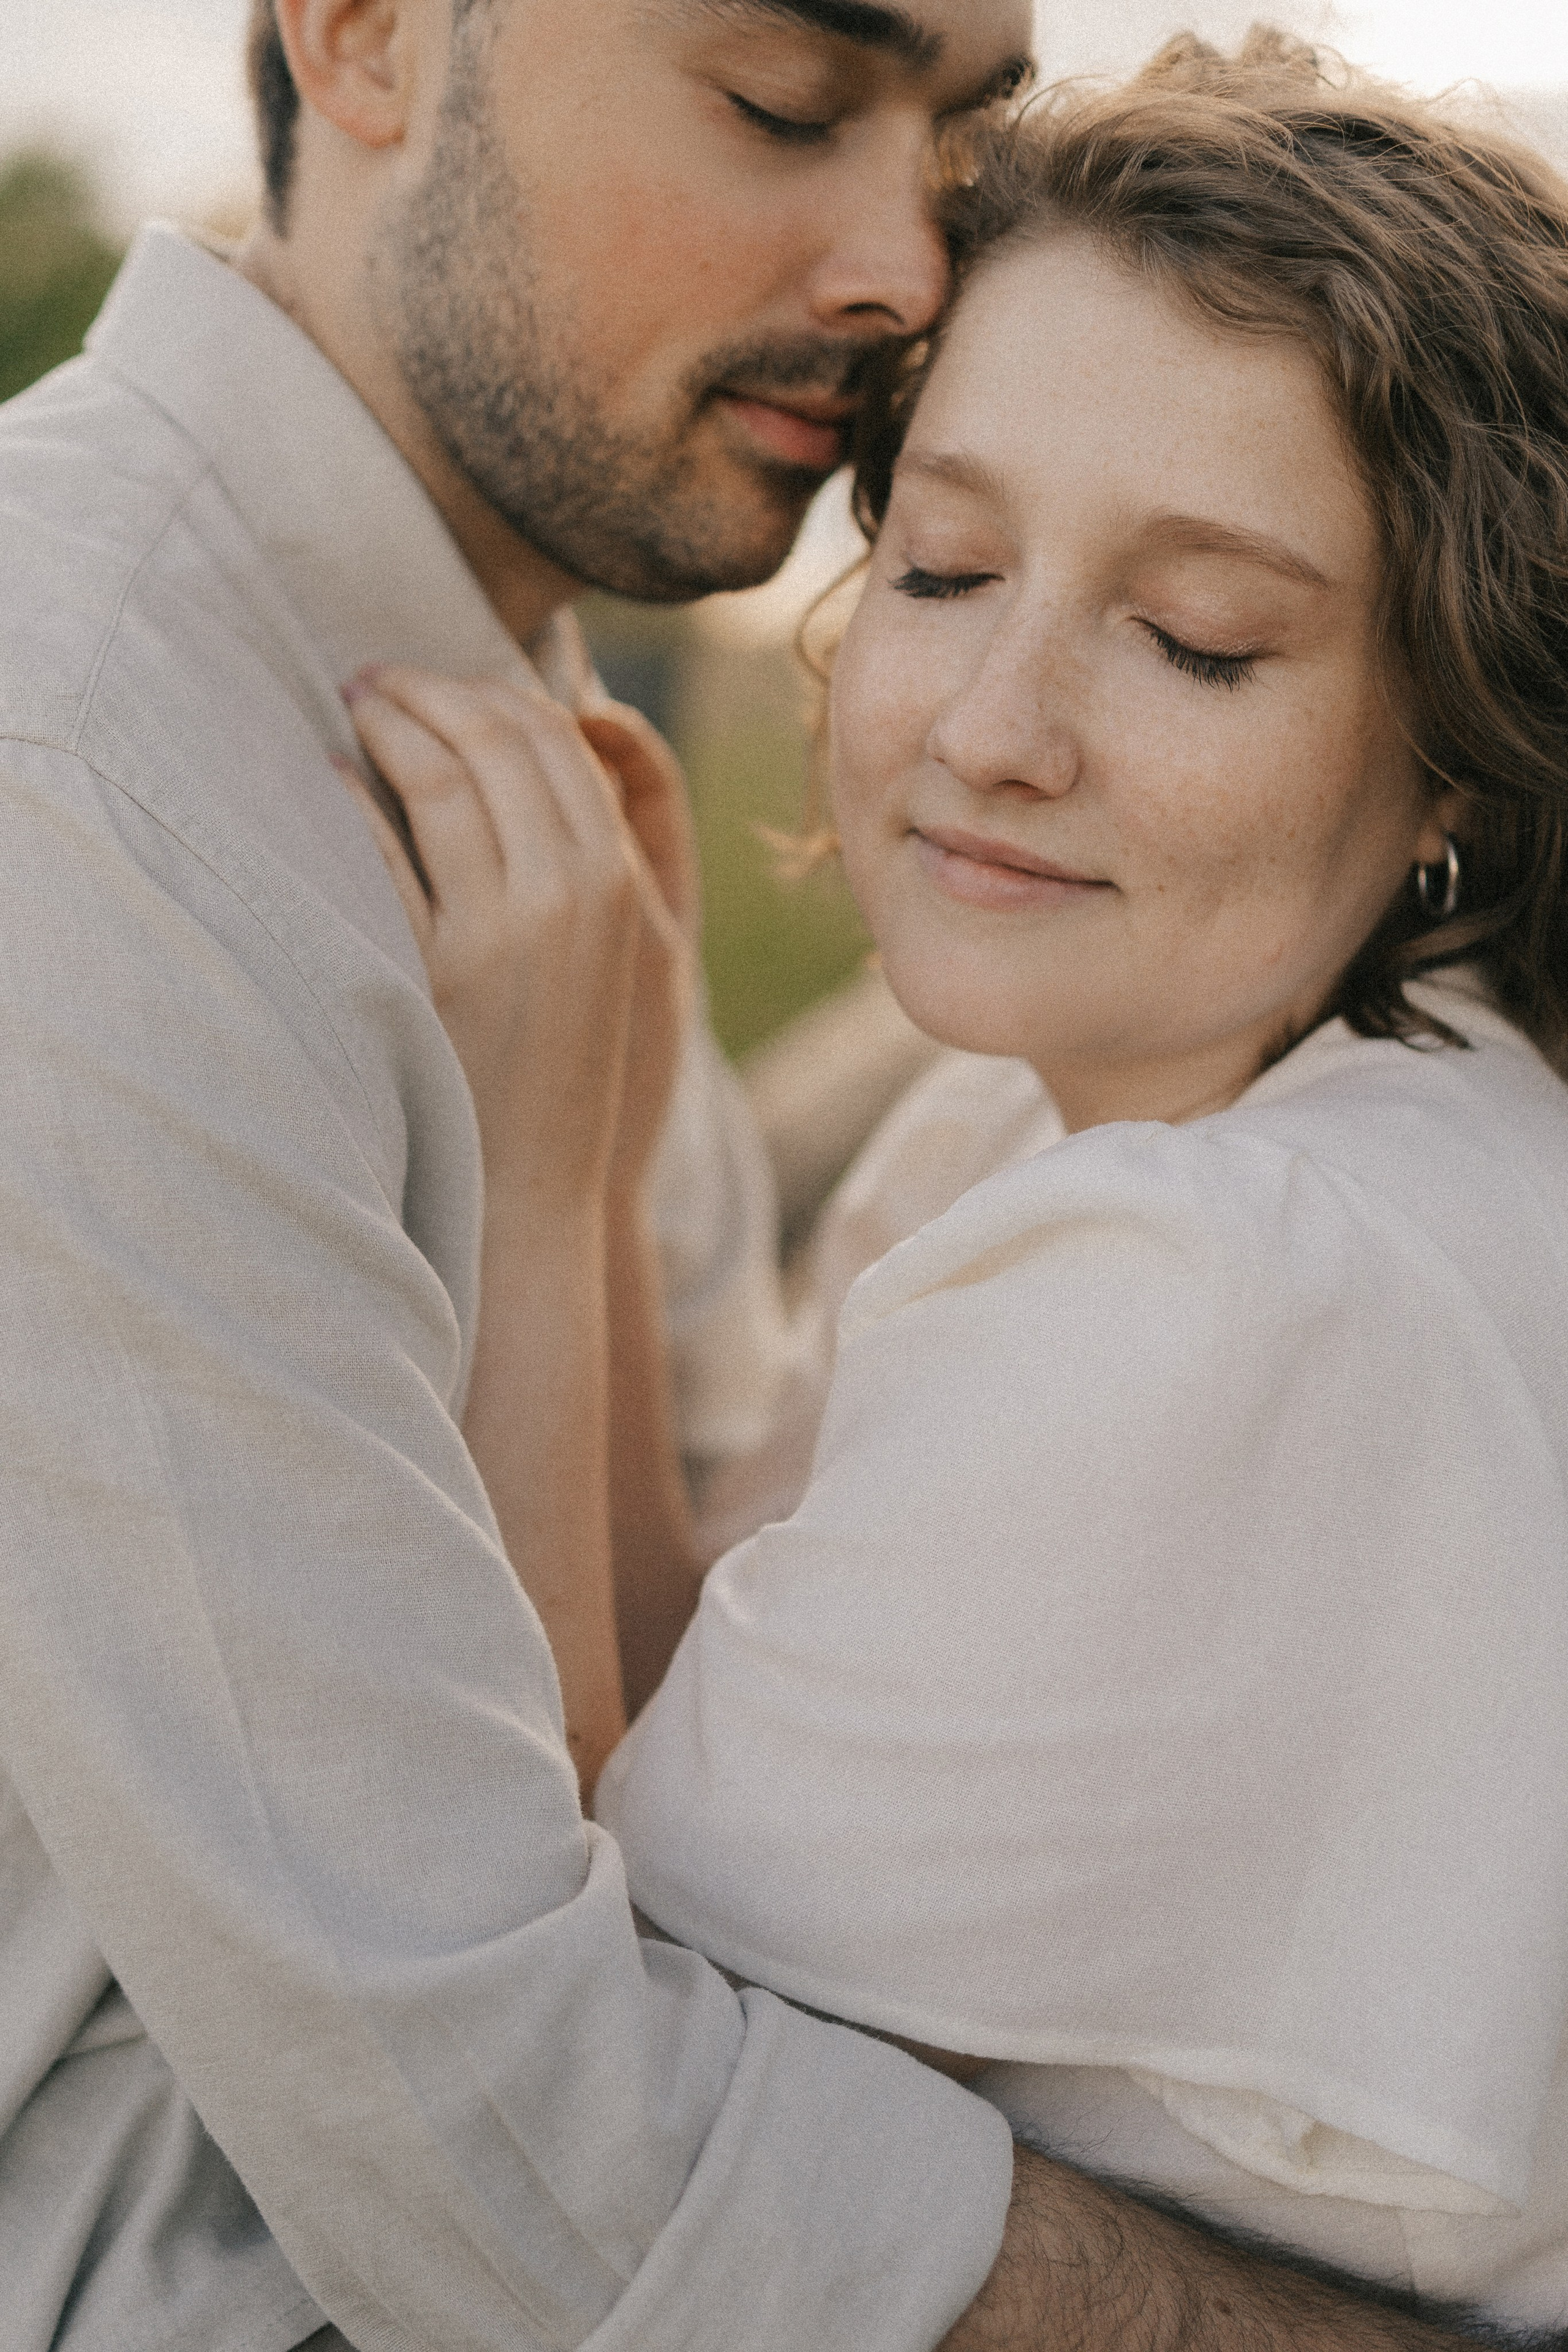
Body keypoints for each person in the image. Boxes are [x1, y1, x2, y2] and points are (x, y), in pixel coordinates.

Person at [347, 31, 1568, 2349]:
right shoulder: (1060, 1103)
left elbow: (575, 2024)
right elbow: (710, 1678)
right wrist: (594, 1151)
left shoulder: (1226, 1287)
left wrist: (522, 1172)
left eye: (1197, 637)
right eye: (948, 565)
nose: (994, 726)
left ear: (1458, 751)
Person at [0, 1, 1084, 2348]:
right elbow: (515, 2154)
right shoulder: (74, 784)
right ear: (369, 36)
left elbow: (690, 1739)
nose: (910, 260)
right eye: (785, 102)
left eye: (966, 138)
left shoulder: (505, 714)